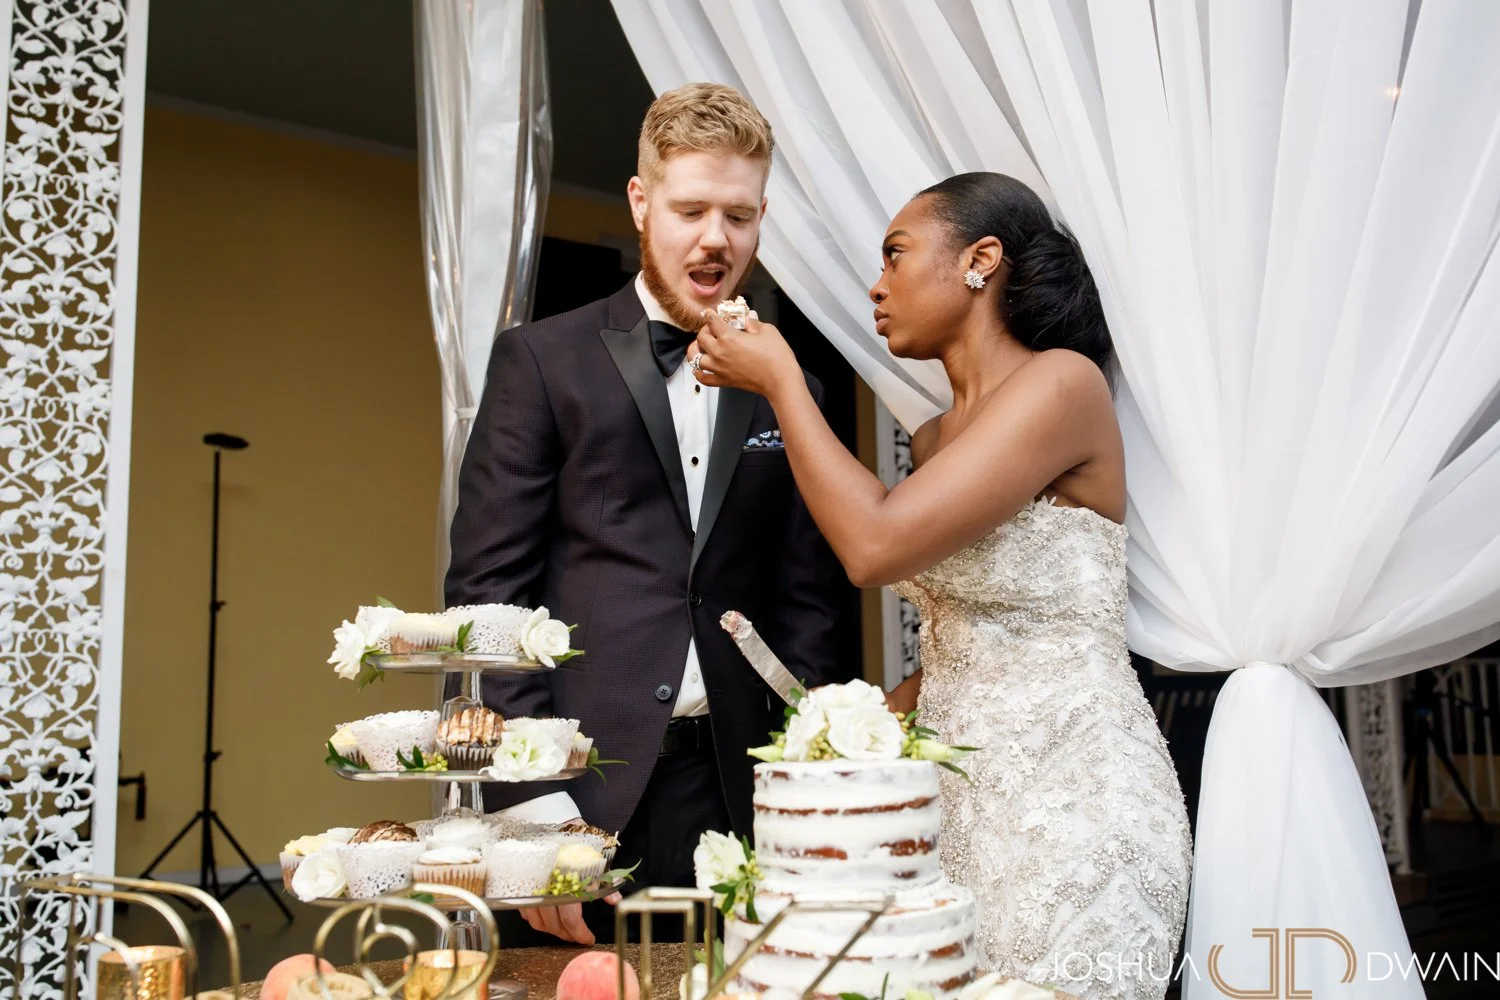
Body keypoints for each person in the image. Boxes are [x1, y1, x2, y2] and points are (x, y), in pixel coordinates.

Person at [689, 172, 1192, 1000]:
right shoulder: (931, 441)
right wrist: (863, 727)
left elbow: (874, 547)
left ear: (980, 260)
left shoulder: (1064, 384)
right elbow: (968, 628)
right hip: (953, 813)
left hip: (1074, 803)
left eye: (895, 254)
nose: (876, 286)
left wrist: (781, 378)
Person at [444, 82, 848, 946]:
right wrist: (532, 806)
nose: (715, 239)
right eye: (691, 208)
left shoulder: (795, 390)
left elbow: (806, 607)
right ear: (640, 200)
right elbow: (487, 599)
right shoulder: (541, 361)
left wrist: (799, 788)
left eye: (738, 216)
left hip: (737, 805)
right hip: (576, 794)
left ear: (763, 215)